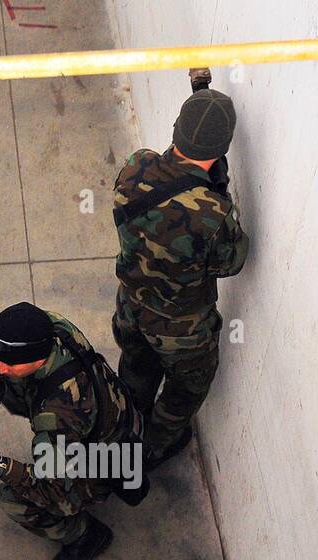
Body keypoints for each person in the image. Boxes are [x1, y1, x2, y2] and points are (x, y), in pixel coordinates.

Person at [111, 68, 250, 468]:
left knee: (136, 365)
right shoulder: (213, 214)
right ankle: (153, 447)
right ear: (221, 148)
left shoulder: (135, 167)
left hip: (132, 307)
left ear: (175, 128)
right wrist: (218, 195)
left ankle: (126, 424)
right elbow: (233, 261)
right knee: (187, 389)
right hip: (181, 331)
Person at [0, 301, 145, 560]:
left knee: (13, 500)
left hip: (104, 457)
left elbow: (51, 491)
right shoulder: (52, 327)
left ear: (34, 359)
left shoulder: (57, 416)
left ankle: (87, 537)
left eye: (9, 362)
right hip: (116, 414)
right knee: (8, 384)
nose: (2, 366)